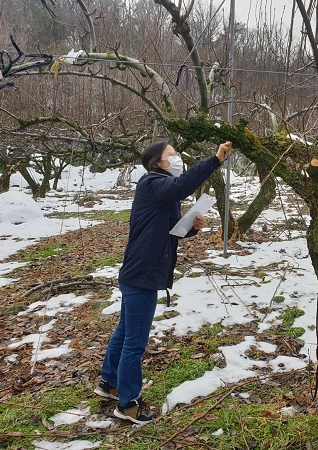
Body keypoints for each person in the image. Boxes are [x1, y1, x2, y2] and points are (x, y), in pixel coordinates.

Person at [94, 140, 232, 424]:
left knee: (124, 330)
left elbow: (170, 233)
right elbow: (182, 185)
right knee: (135, 342)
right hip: (142, 274)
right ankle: (129, 404)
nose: (178, 158)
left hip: (141, 271)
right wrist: (215, 160)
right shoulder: (152, 184)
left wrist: (190, 228)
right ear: (158, 163)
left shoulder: (162, 193)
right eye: (172, 155)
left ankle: (109, 383)